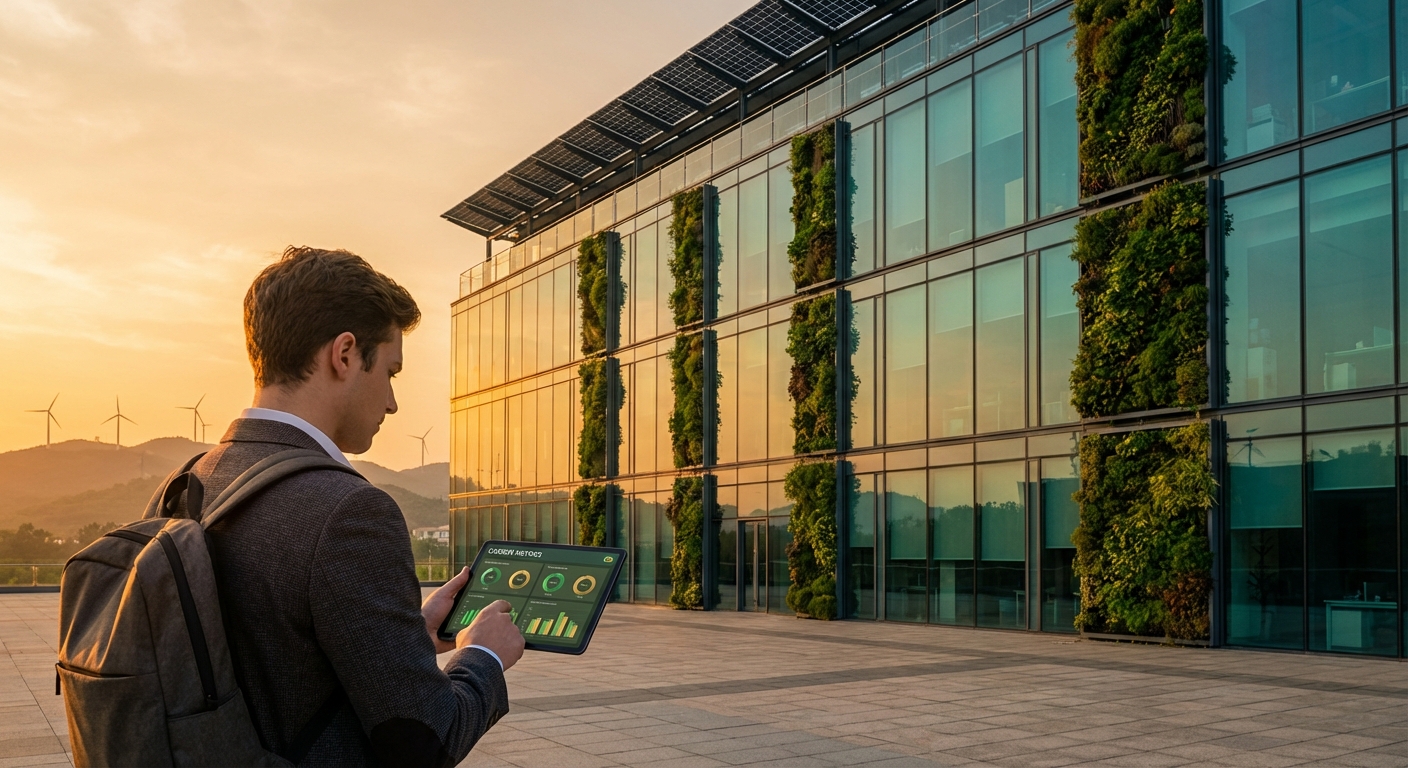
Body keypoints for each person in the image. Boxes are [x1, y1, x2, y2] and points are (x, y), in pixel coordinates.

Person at [181, 246, 524, 765]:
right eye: (391, 371)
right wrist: (483, 655)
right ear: (344, 354)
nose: (392, 401)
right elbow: (424, 740)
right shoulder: (350, 512)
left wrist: (404, 634)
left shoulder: (189, 482)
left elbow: (272, 658)